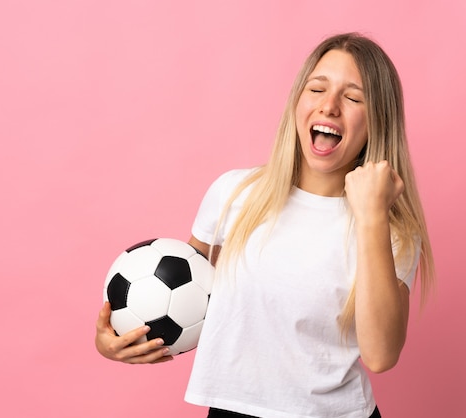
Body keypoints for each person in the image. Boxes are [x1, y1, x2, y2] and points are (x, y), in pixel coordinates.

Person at [95, 32, 435, 418]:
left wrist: (372, 216)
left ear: (378, 122)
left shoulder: (391, 232)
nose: (330, 107)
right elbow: (183, 297)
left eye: (354, 98)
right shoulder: (234, 194)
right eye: (317, 89)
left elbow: (380, 355)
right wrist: (118, 337)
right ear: (297, 102)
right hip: (231, 410)